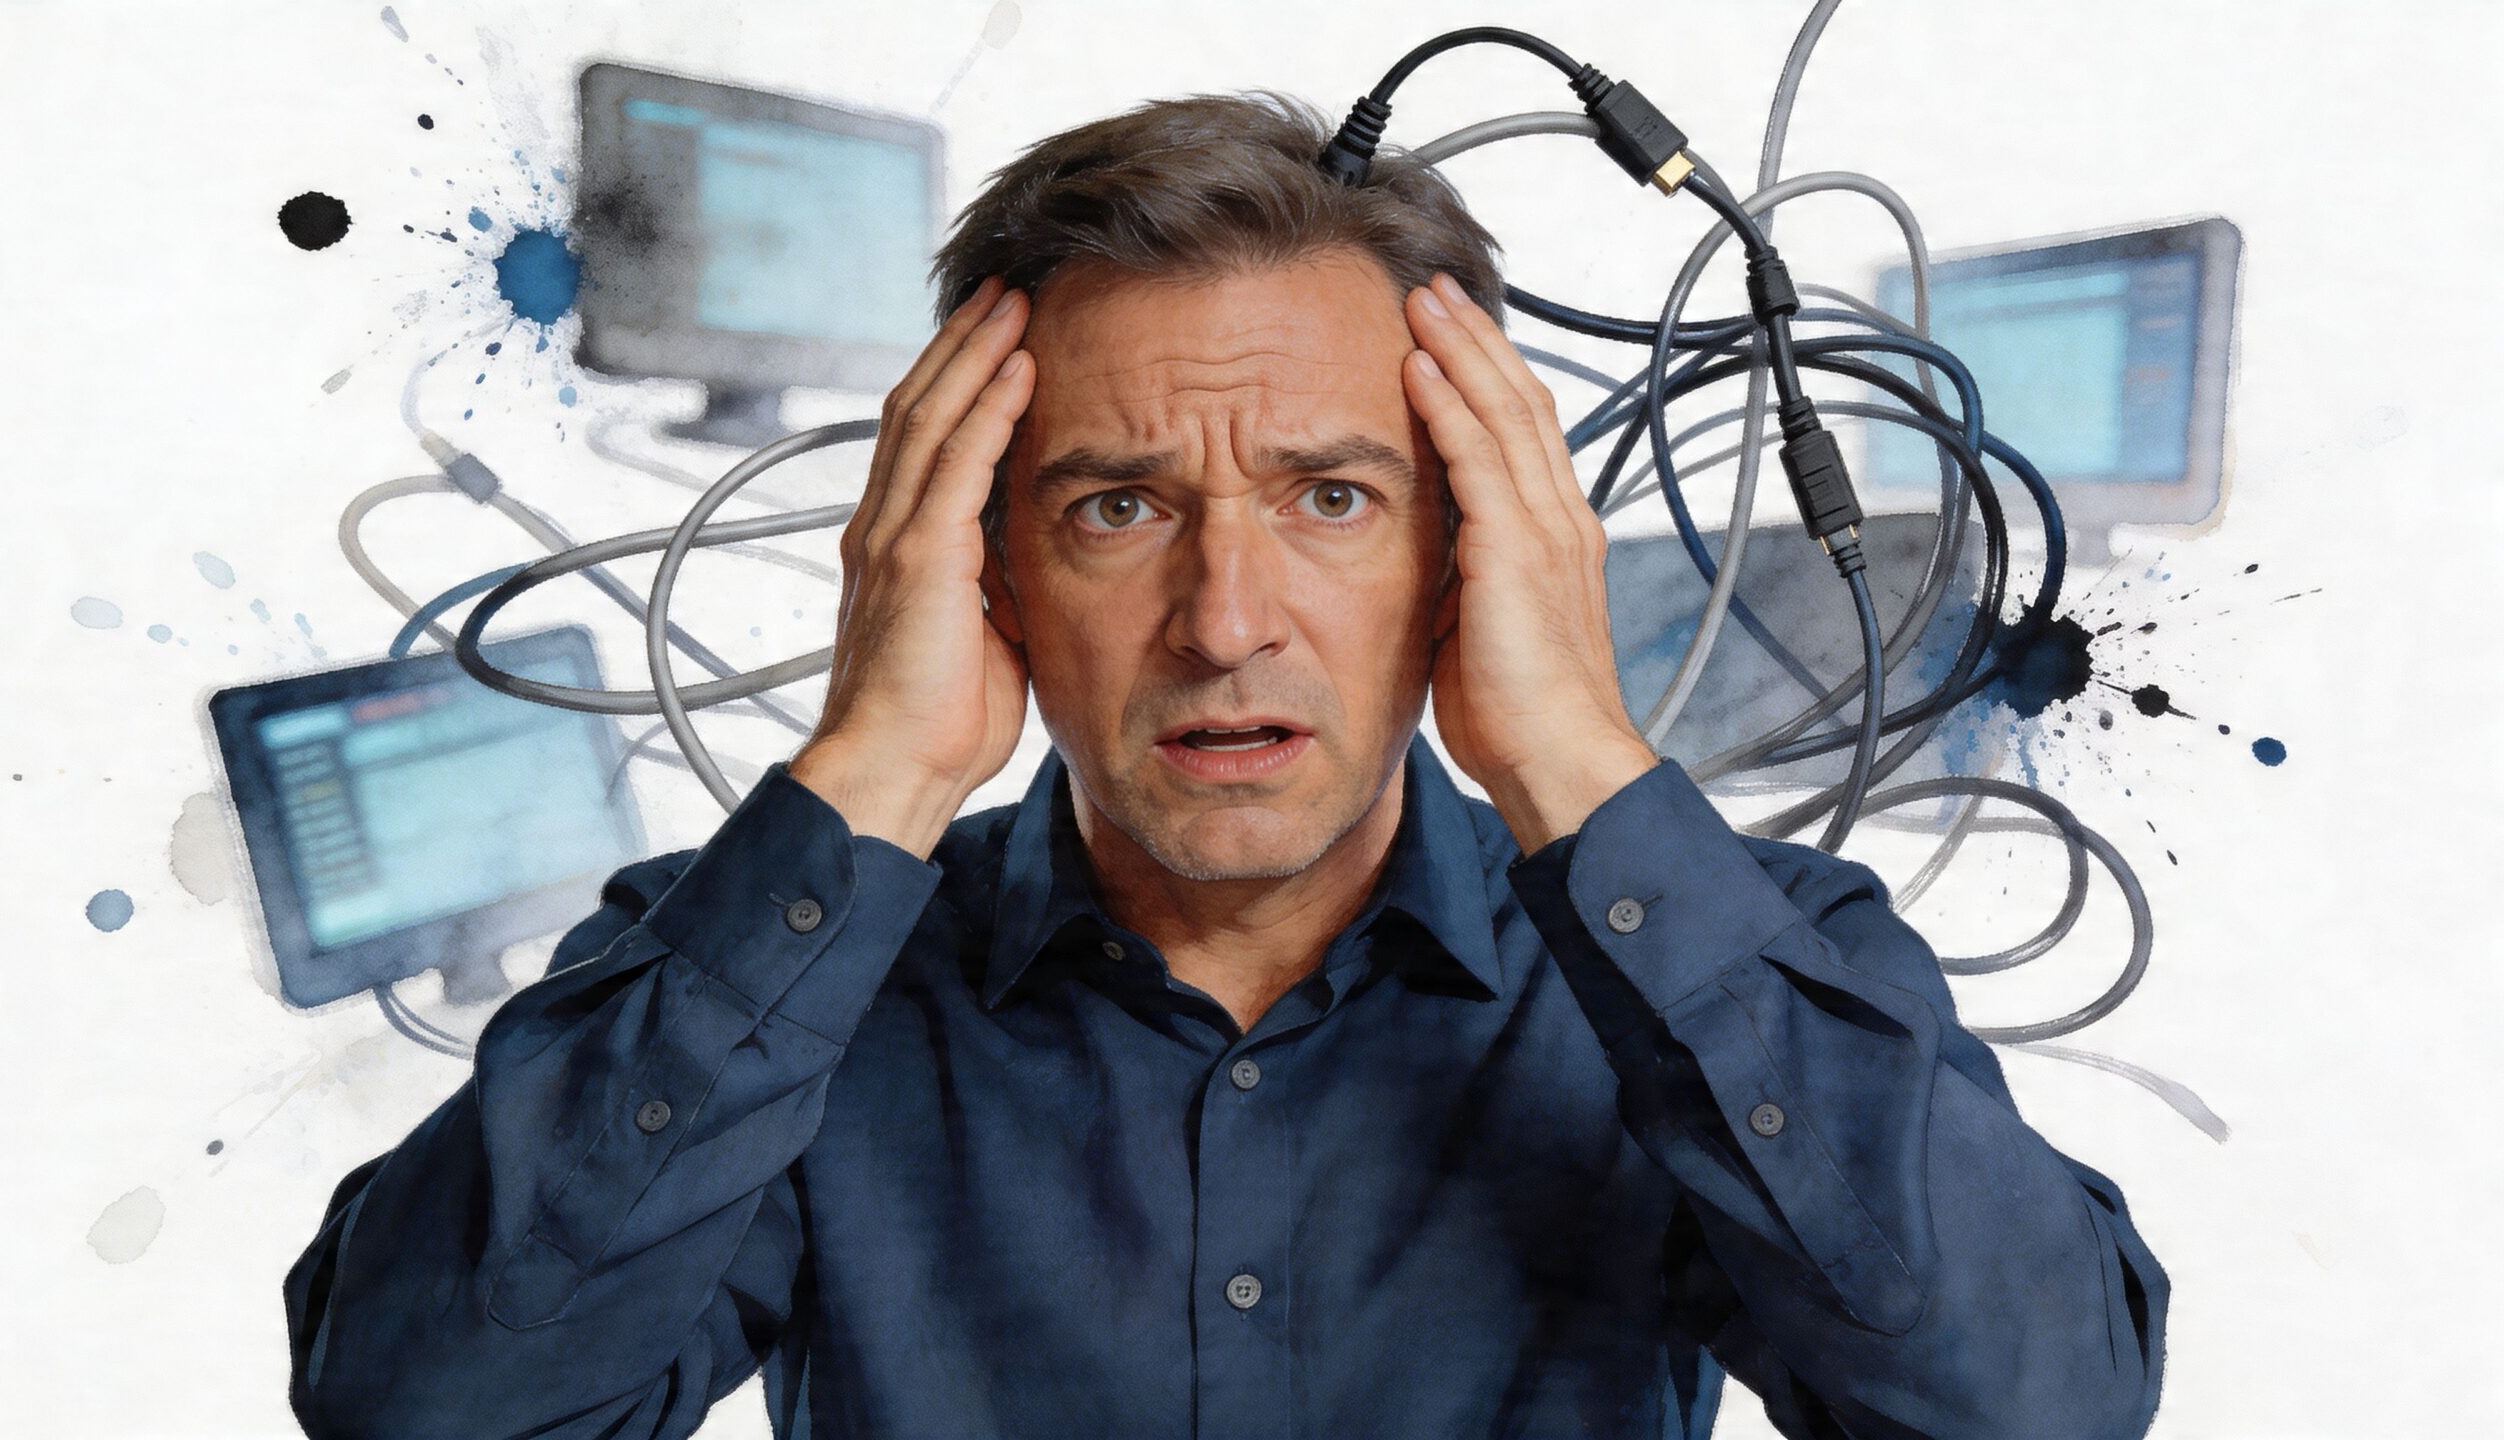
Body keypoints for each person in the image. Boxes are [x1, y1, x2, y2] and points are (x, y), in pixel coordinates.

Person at [284, 92, 2167, 1440]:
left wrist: (1582, 764)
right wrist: (871, 765)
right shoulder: (777, 981)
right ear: (985, 561)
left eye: (1333, 498)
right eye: (1117, 507)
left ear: (1470, 547)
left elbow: (2039, 1409)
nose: (1224, 619)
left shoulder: (1727, 963)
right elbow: (422, 1405)